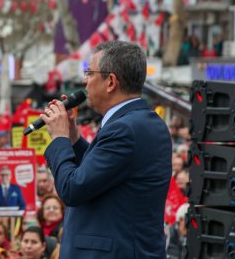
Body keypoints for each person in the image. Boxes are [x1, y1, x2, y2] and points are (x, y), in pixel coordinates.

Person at [41, 41, 172, 258]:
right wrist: (73, 138)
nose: (85, 81)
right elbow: (103, 173)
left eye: (90, 73)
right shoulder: (141, 121)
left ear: (111, 81)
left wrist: (60, 137)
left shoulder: (124, 128)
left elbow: (72, 189)